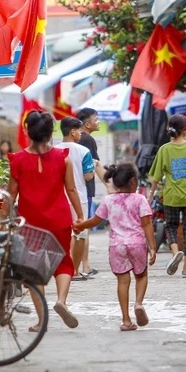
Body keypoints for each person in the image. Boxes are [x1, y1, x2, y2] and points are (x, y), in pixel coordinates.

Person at [4, 111, 84, 330]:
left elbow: (10, 195)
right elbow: (71, 189)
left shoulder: (18, 160)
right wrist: (80, 215)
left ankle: (42, 321)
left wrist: (2, 220)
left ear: (28, 131)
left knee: (34, 269)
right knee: (64, 262)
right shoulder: (63, 157)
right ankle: (61, 301)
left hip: (31, 222)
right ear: (50, 133)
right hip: (59, 219)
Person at [75, 163, 157, 331]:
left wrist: (81, 225)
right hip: (137, 244)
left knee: (122, 281)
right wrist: (153, 247)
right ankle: (139, 304)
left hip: (117, 246)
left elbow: (96, 221)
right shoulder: (140, 199)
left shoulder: (108, 200)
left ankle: (126, 320)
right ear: (133, 182)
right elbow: (147, 224)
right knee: (141, 276)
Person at [148, 114, 186, 277]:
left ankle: (175, 253)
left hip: (172, 196)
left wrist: (151, 195)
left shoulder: (164, 149)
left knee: (171, 226)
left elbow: (156, 176)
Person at [55, 117, 96, 281]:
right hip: (79, 197)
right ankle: (75, 270)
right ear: (72, 131)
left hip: (60, 198)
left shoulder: (54, 150)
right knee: (80, 234)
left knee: (65, 234)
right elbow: (88, 176)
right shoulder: (84, 151)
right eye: (79, 130)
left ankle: (64, 268)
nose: (80, 133)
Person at [76, 107, 104, 276]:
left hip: (77, 188)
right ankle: (83, 266)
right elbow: (96, 165)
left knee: (81, 226)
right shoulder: (88, 140)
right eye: (96, 119)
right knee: (84, 226)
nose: (98, 121)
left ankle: (85, 265)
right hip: (84, 188)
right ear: (87, 124)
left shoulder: (79, 139)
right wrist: (110, 185)